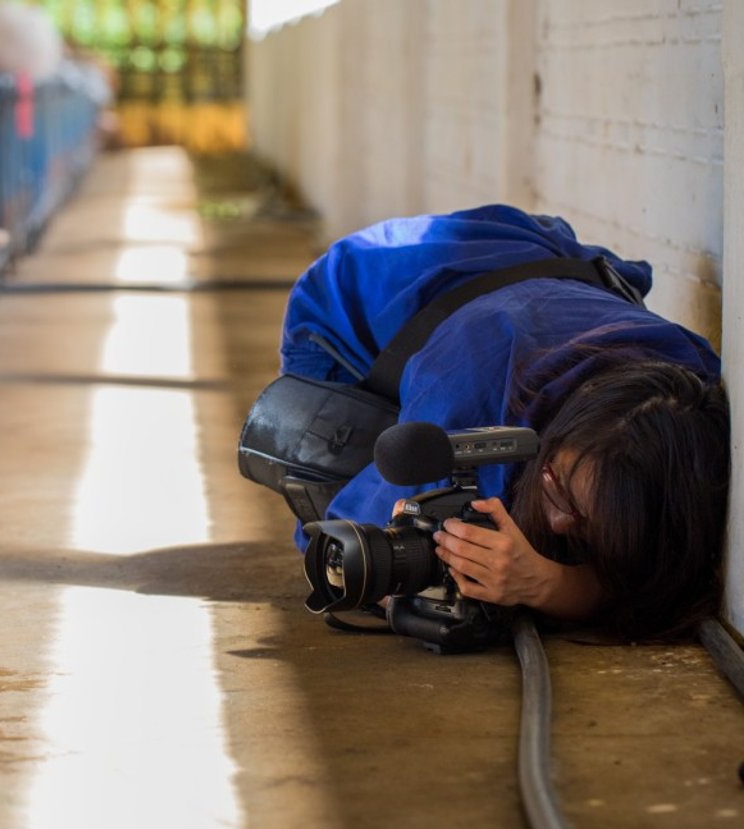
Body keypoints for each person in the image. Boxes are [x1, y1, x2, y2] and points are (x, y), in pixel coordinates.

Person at [280, 204, 729, 641]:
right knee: (349, 479)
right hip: (358, 291)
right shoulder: (470, 406)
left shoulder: (687, 396)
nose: (556, 522)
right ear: (548, 440)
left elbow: (674, 569)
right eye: (557, 489)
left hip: (535, 263)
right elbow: (345, 548)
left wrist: (550, 586)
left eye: (586, 519)